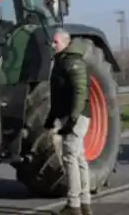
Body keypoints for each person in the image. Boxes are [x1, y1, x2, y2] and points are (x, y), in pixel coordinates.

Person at [45, 29, 92, 215]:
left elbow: (80, 91)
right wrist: (52, 116)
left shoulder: (73, 62)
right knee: (78, 157)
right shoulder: (61, 61)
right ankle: (85, 203)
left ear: (66, 42)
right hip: (68, 115)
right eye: (53, 41)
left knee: (70, 158)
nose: (53, 45)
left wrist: (72, 119)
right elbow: (59, 94)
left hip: (76, 116)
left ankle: (74, 205)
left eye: (56, 42)